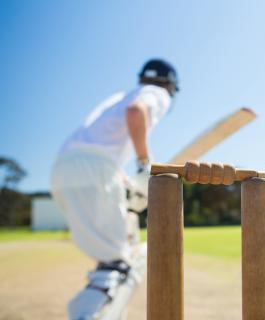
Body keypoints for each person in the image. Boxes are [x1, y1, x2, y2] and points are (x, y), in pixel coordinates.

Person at [50, 58, 179, 319]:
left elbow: (99, 147)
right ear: (170, 84)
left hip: (63, 170)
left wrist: (128, 185)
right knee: (121, 263)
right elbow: (136, 112)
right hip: (93, 171)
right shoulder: (157, 93)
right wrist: (145, 165)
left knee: (111, 257)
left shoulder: (116, 99)